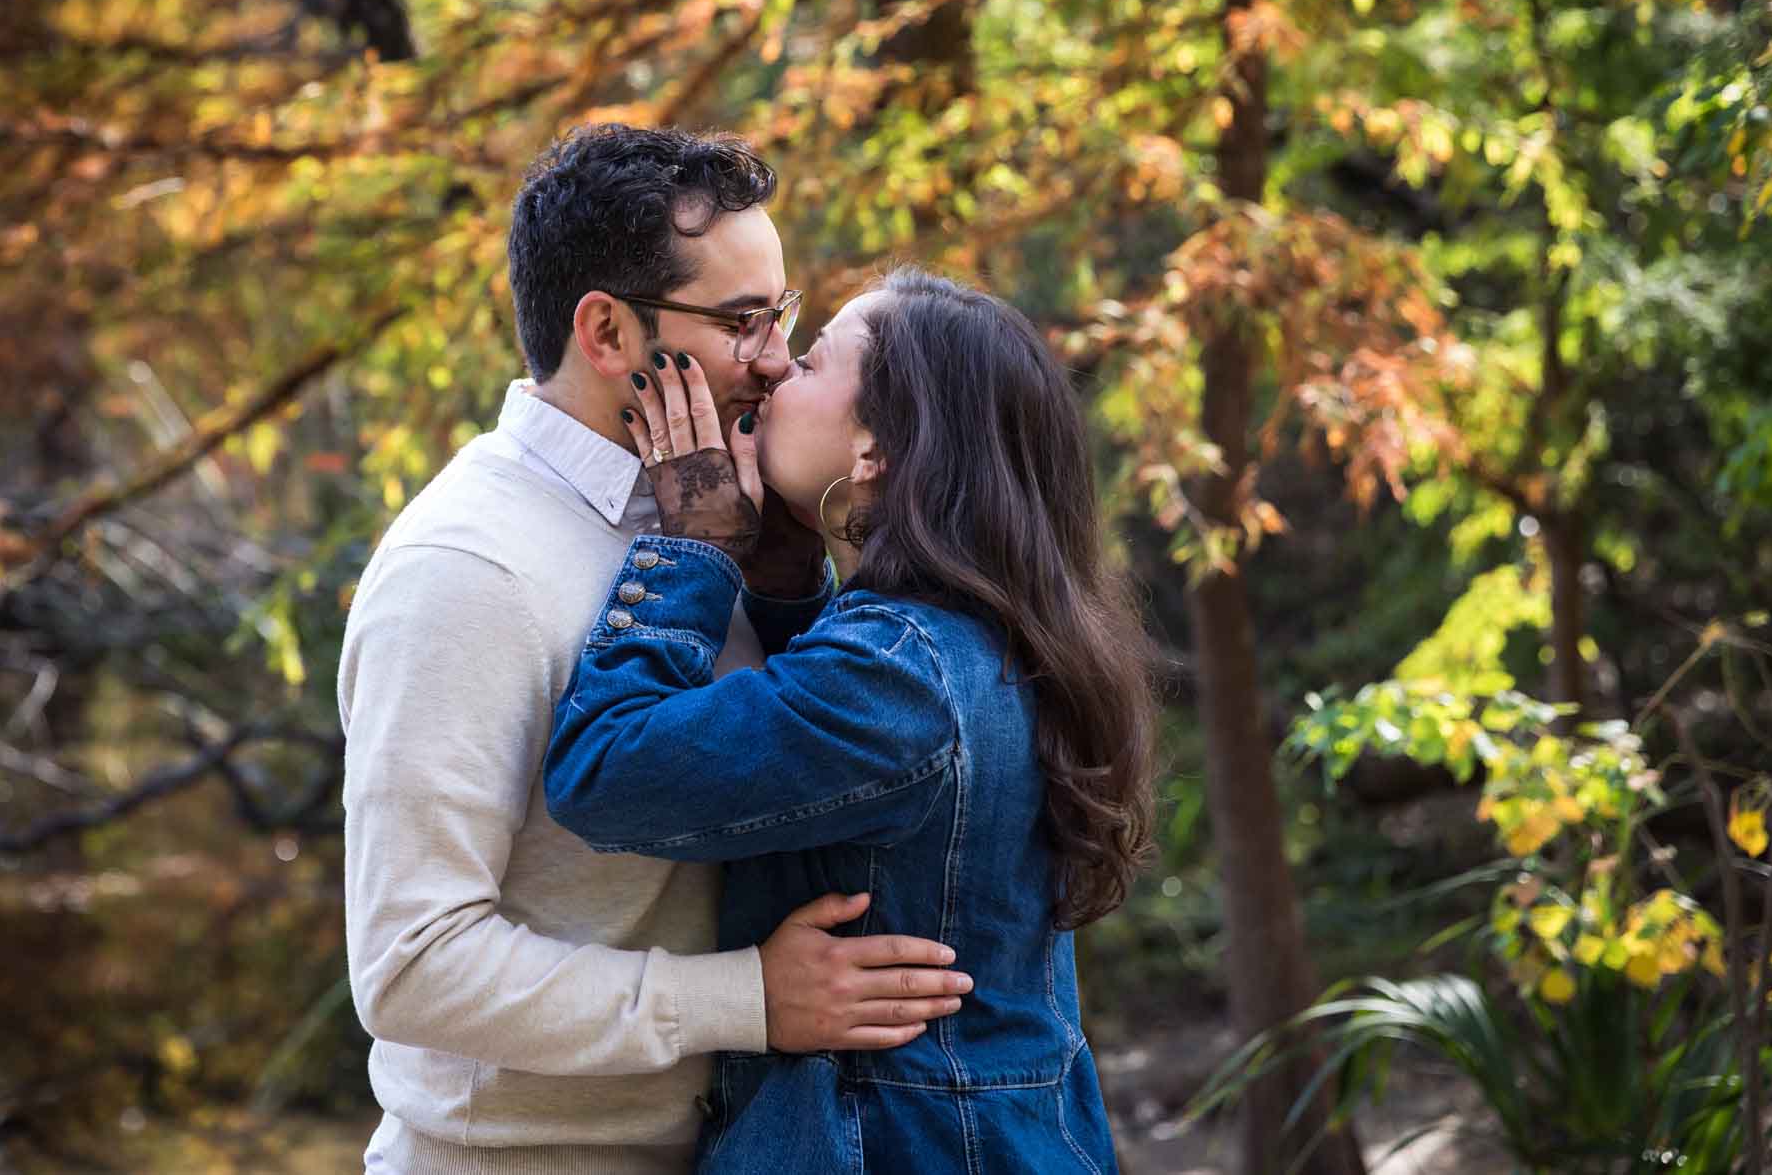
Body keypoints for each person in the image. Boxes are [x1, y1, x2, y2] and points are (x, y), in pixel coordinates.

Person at [339, 128, 972, 1175]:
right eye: (739, 322)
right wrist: (748, 999)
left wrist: (776, 579)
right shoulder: (464, 567)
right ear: (606, 333)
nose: (774, 357)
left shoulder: (707, 505)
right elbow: (411, 967)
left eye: (783, 315)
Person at [543, 267, 1158, 1173]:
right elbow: (825, 766)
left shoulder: (897, 677)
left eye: (814, 358)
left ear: (874, 449)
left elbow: (604, 772)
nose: (776, 368)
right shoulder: (965, 639)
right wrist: (787, 581)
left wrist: (687, 551)